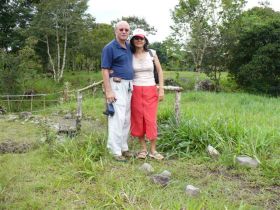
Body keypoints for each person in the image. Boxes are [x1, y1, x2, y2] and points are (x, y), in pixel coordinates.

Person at [130, 28, 165, 160]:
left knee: (151, 119)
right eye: (136, 38)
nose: (139, 40)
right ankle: (143, 149)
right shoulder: (130, 54)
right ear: (133, 41)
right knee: (138, 119)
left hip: (151, 88)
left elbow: (160, 71)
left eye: (141, 38)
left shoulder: (152, 53)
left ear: (145, 40)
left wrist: (161, 89)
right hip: (135, 89)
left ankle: (153, 150)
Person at [101, 21, 133, 162]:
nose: (124, 31)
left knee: (126, 118)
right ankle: (114, 151)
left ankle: (123, 147)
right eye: (121, 29)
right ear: (116, 31)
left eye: (126, 29)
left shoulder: (129, 46)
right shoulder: (109, 48)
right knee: (117, 118)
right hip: (116, 85)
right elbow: (105, 69)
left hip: (129, 86)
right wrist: (109, 90)